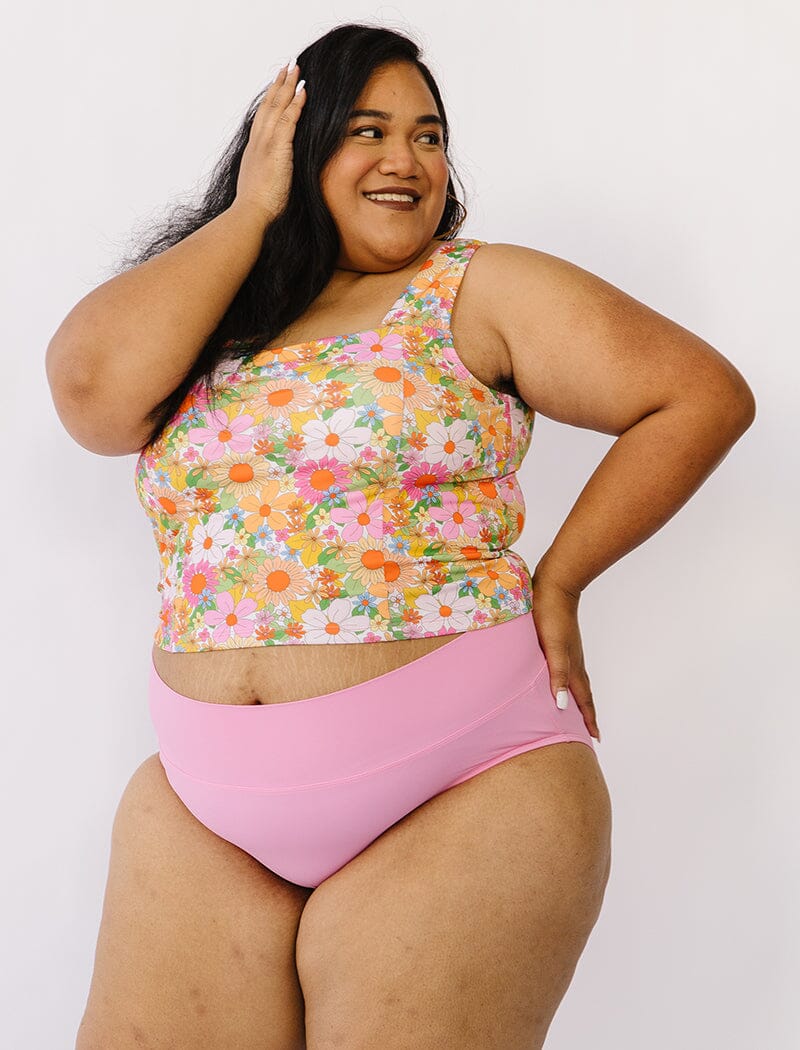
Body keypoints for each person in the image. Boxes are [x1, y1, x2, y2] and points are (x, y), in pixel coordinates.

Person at [46, 22, 755, 1050]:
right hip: (205, 811)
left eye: (429, 135)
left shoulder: (474, 287)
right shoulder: (213, 322)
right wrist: (252, 213)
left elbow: (695, 396)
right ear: (293, 146)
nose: (405, 159)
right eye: (367, 130)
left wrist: (559, 579)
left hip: (461, 784)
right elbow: (90, 398)